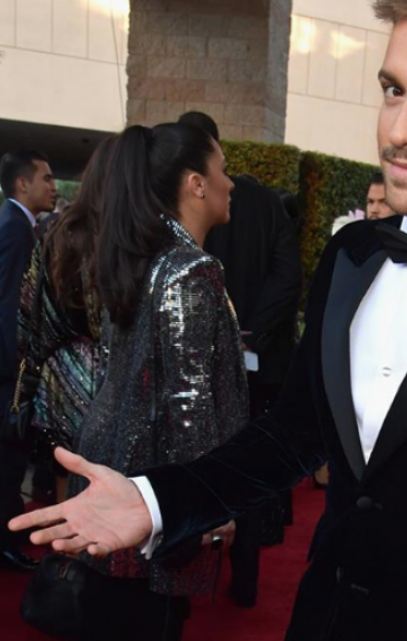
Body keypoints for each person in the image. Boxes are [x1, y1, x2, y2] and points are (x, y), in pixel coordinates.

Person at [14, 2, 407, 639]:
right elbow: (293, 435)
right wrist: (156, 500)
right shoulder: (352, 257)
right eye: (393, 89)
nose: (401, 130)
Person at [61, 123, 248, 640]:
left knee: (114, 615)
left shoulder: (139, 257)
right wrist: (207, 500)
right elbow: (188, 401)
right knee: (146, 622)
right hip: (150, 488)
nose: (231, 183)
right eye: (223, 170)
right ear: (196, 183)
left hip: (115, 466)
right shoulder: (190, 269)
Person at [178, 110, 303, 608]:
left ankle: (183, 580)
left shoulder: (174, 197)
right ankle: (243, 580)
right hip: (255, 359)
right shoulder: (264, 202)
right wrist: (250, 333)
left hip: (202, 363)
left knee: (191, 463)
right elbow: (287, 277)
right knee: (245, 466)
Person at [16, 136, 117, 505]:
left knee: (65, 476)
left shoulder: (54, 229)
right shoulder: (118, 236)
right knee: (101, 484)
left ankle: (64, 559)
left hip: (57, 371)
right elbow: (105, 315)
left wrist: (34, 365)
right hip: (101, 374)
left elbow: (29, 308)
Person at [0, 149, 56, 571]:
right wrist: (26, 363)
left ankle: (0, 538)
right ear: (23, 184)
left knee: (9, 451)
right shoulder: (17, 229)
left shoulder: (11, 224)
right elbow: (11, 306)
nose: (53, 186)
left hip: (4, 357)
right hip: (11, 360)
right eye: (46, 178)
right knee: (8, 453)